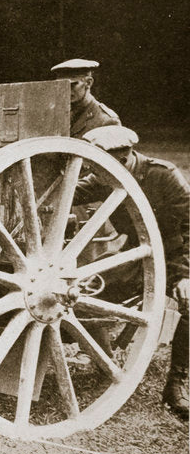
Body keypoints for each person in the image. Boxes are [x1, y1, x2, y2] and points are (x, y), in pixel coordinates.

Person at [79, 125, 188, 420]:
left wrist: (186, 274)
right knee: (83, 293)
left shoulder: (162, 175)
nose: (94, 171)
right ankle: (106, 362)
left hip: (178, 256)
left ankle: (176, 384)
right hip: (139, 258)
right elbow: (70, 193)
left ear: (125, 156)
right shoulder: (104, 175)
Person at [50, 59, 121, 138]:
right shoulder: (56, 115)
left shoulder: (106, 121)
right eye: (61, 85)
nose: (66, 89)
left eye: (72, 85)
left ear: (88, 83)